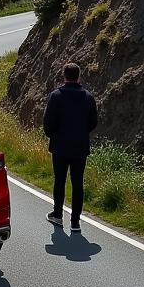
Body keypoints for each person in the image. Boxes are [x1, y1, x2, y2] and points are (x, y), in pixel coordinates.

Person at [43, 61, 98, 232]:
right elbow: (93, 122)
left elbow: (48, 123)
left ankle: (58, 215)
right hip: (80, 146)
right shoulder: (88, 97)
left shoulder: (56, 96)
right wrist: (81, 133)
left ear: (64, 76)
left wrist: (54, 135)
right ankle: (75, 222)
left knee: (59, 181)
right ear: (79, 76)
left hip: (60, 146)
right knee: (77, 183)